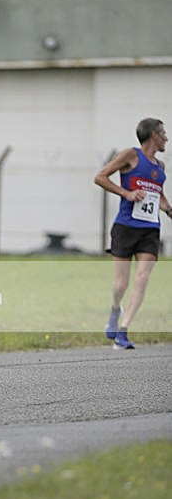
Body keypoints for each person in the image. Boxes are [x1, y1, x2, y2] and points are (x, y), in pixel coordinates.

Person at [94, 117, 171, 349]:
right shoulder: (131, 155)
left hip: (150, 229)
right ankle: (116, 310)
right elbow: (100, 177)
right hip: (126, 226)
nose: (167, 138)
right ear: (153, 135)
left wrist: (168, 209)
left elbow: (158, 194)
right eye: (163, 133)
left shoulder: (160, 166)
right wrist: (126, 194)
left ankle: (123, 332)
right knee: (121, 285)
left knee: (143, 278)